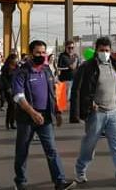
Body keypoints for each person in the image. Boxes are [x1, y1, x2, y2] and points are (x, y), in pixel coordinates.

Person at [70, 36, 116, 186]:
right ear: (96, 50)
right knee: (89, 144)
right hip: (97, 113)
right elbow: (78, 89)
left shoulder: (114, 64)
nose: (105, 53)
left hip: (113, 110)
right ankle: (80, 170)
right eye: (101, 50)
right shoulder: (87, 67)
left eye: (107, 50)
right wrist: (86, 106)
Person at [12, 40, 75, 190]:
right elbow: (18, 96)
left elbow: (53, 93)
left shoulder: (47, 70)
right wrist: (32, 112)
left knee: (52, 150)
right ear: (31, 53)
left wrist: (58, 112)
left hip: (46, 118)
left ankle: (59, 182)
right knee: (22, 151)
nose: (41, 55)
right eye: (38, 53)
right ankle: (20, 182)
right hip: (26, 118)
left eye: (43, 52)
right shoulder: (21, 72)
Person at [1, 54, 19, 130]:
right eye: (15, 59)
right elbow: (3, 79)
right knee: (11, 105)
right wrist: (8, 88)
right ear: (11, 59)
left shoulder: (17, 67)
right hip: (8, 89)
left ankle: (12, 122)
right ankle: (8, 122)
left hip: (16, 89)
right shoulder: (5, 68)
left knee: (14, 107)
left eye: (16, 59)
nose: (16, 60)